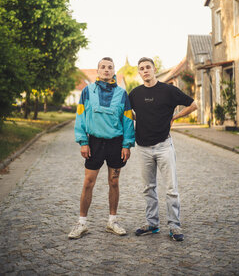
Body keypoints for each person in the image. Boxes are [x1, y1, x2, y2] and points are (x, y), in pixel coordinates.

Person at [129, 57, 197, 241]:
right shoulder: (134, 94)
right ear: (139, 72)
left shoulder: (168, 90)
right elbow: (129, 113)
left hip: (164, 145)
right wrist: (139, 119)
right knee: (148, 188)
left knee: (171, 188)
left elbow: (193, 105)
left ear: (154, 69)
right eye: (141, 68)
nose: (145, 71)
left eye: (148, 67)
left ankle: (174, 226)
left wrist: (174, 117)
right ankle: (152, 224)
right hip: (142, 147)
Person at [68, 57, 135, 239]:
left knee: (114, 182)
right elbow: (80, 116)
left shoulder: (122, 94)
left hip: (115, 143)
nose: (106, 70)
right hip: (94, 143)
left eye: (110, 67)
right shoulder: (87, 92)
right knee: (88, 182)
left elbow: (127, 120)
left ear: (114, 71)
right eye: (103, 67)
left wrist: (126, 144)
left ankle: (112, 221)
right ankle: (81, 223)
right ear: (98, 71)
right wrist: (83, 141)